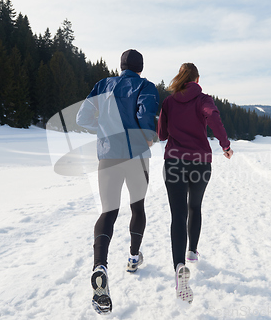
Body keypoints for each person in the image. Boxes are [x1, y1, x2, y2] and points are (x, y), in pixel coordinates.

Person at [76, 49, 159, 315]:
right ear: (140, 67)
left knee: (108, 212)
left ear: (121, 65)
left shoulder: (103, 84)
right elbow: (146, 115)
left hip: (108, 156)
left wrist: (103, 129)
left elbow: (81, 118)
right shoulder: (146, 86)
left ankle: (99, 266)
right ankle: (133, 258)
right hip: (136, 157)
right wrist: (148, 135)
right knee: (137, 207)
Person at [157, 63, 233, 303]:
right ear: (197, 79)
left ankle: (179, 266)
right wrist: (225, 145)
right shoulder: (203, 98)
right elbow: (213, 117)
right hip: (200, 162)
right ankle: (192, 251)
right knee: (195, 207)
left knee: (178, 214)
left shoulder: (169, 102)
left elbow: (161, 135)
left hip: (174, 162)